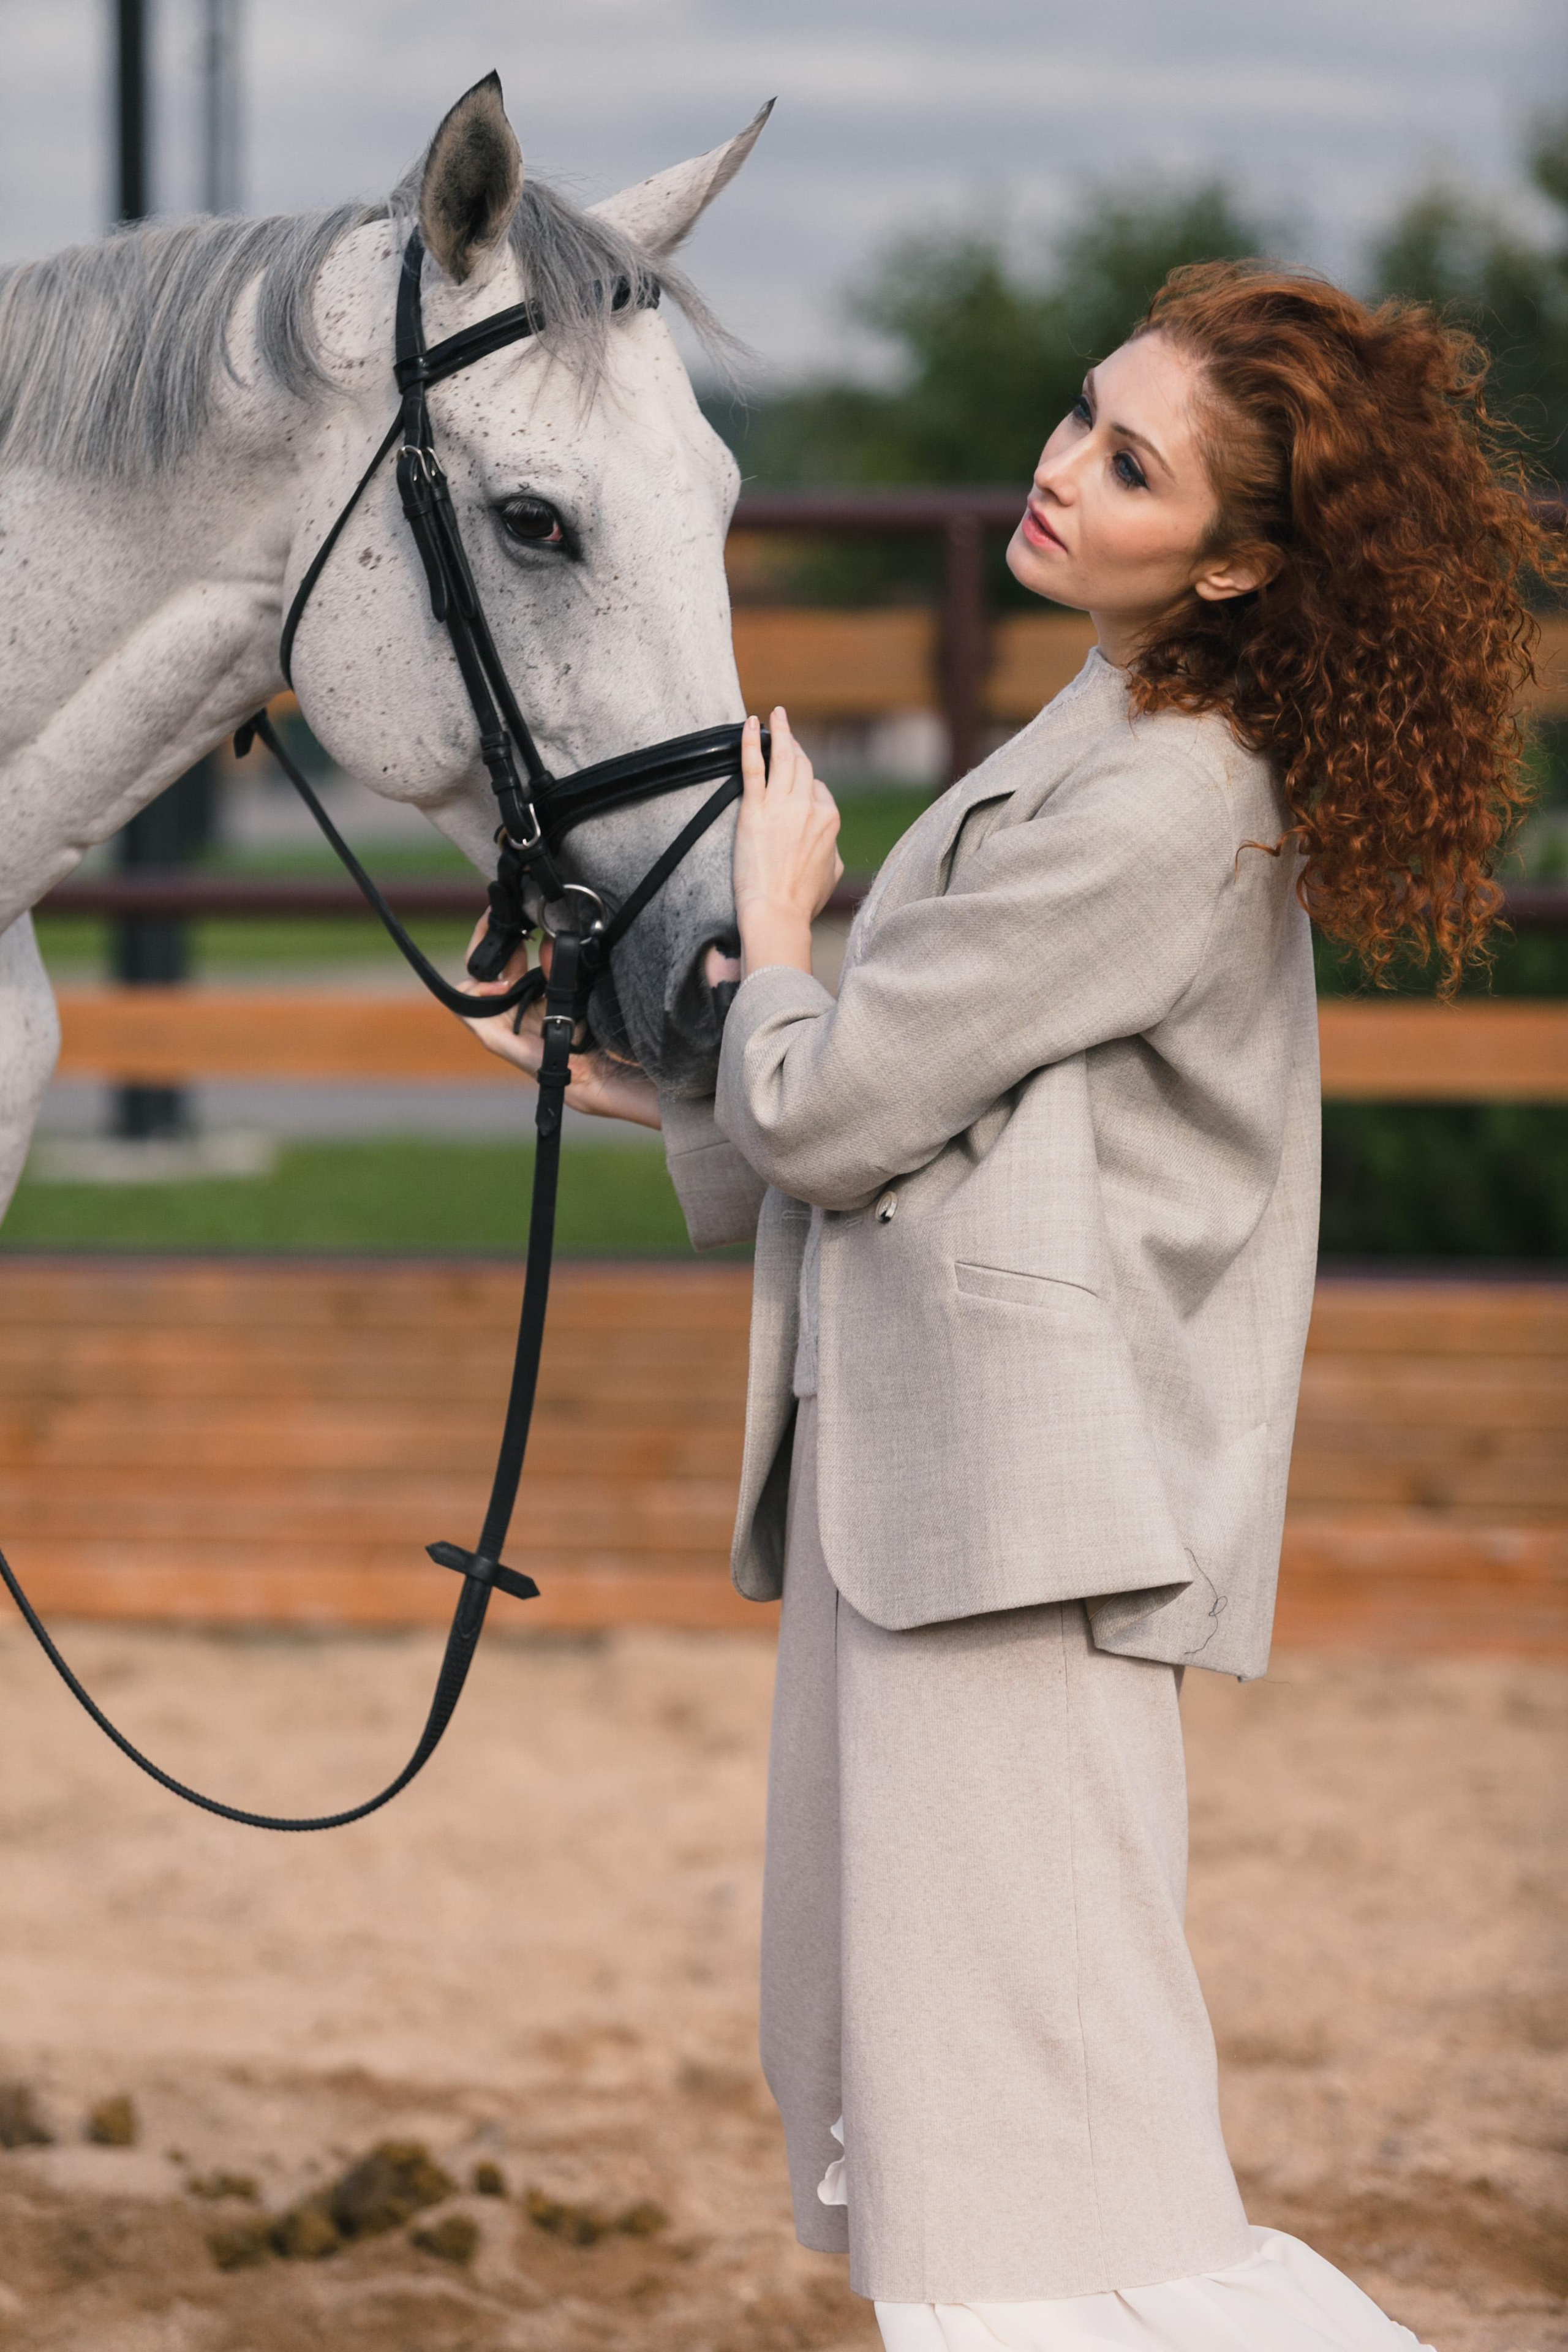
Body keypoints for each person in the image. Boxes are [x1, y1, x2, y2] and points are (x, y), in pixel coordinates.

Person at [466, 263, 1560, 2349]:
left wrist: (779, 932)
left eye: (1131, 466)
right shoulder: (1116, 720)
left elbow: (859, 1095)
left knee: (1070, 2193)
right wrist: (695, 1071)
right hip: (946, 1490)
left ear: (1237, 562)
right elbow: (927, 1101)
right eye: (1083, 415)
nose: (1060, 470)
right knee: (987, 2159)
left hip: (1021, 1523)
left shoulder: (1169, 799)